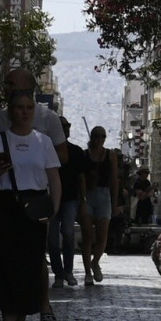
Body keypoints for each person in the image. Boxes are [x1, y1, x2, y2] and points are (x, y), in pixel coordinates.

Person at [0, 87, 61, 321]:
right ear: (11, 111)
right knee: (5, 264)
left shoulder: (43, 142)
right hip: (5, 207)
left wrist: (53, 209)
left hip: (34, 207)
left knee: (29, 265)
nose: (25, 113)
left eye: (29, 108)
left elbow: (54, 178)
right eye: (20, 108)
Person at [48, 116, 87, 288]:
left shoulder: (76, 151)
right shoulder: (48, 150)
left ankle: (68, 271)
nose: (66, 129)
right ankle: (58, 273)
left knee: (68, 233)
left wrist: (83, 199)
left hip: (70, 198)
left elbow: (81, 177)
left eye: (67, 126)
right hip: (50, 199)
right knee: (52, 239)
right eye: (62, 126)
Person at [82, 126, 119, 285]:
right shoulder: (84, 155)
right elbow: (80, 177)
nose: (100, 139)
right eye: (97, 136)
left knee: (102, 236)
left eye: (103, 136)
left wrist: (115, 202)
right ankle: (87, 272)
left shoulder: (110, 155)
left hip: (104, 195)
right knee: (87, 235)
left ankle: (95, 262)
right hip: (87, 195)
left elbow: (114, 179)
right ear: (92, 137)